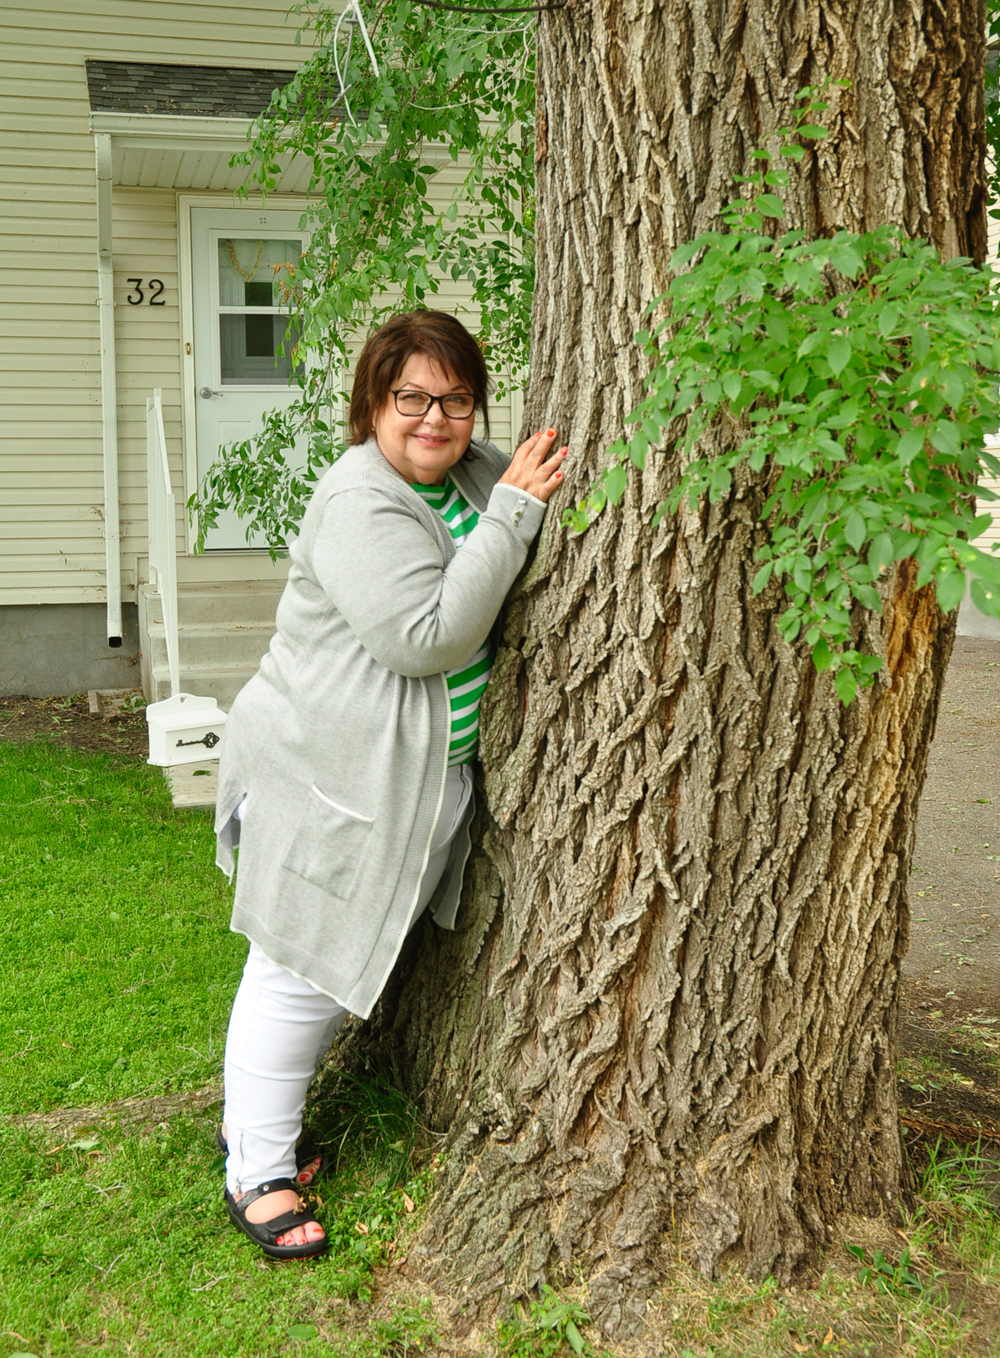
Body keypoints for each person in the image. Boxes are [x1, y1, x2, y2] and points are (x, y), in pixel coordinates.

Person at [213, 309, 568, 1258]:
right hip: (325, 778)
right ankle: (255, 1170)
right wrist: (517, 516)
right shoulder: (360, 501)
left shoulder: (474, 474)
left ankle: (259, 1132)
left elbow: (508, 517)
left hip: (399, 788)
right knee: (300, 969)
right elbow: (424, 639)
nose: (434, 418)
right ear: (374, 402)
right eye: (410, 396)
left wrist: (514, 497)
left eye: (455, 398)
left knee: (333, 971)